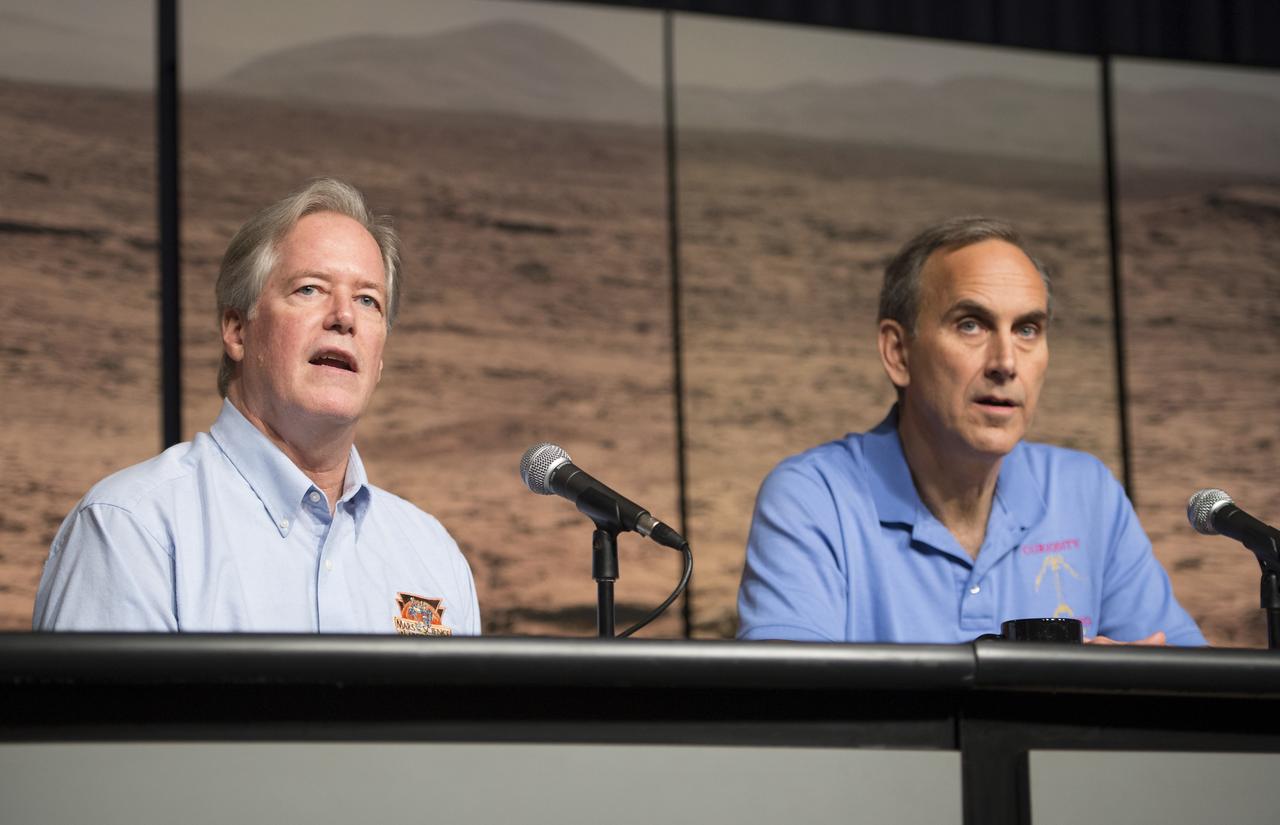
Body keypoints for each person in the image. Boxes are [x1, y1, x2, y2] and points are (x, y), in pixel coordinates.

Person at [34, 178, 480, 635]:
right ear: (237, 330)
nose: (344, 317)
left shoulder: (432, 555)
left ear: (381, 356)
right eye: (310, 289)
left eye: (368, 301)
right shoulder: (133, 529)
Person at [737, 217, 1204, 645]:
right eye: (971, 325)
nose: (1005, 363)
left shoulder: (1087, 492)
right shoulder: (813, 499)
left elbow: (1190, 690)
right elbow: (791, 707)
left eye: (1027, 330)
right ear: (898, 353)